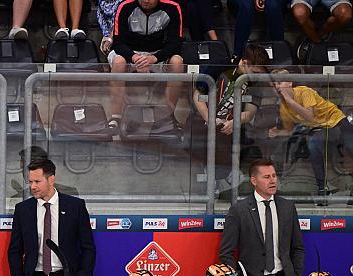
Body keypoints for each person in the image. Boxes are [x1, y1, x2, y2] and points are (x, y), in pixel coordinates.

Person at [219, 158, 305, 276]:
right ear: (253, 180)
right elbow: (226, 252)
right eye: (266, 177)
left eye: (274, 175)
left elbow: (297, 247)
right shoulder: (239, 210)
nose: (272, 180)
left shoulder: (287, 207)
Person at [8, 153, 95, 276]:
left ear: (51, 179)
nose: (32, 186)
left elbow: (87, 246)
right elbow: (15, 249)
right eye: (30, 182)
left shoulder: (75, 206)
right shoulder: (23, 209)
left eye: (37, 181)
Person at [268, 69, 353, 204]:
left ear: (289, 82)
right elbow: (290, 130)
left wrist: (290, 101)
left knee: (351, 146)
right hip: (321, 128)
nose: (277, 87)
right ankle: (322, 189)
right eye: (274, 84)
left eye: (280, 82)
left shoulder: (304, 91)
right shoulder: (284, 106)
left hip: (337, 122)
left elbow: (310, 115)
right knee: (313, 144)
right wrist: (277, 132)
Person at [190, 44, 270, 186]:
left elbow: (250, 113)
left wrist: (235, 122)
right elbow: (197, 94)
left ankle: (226, 177)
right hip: (204, 120)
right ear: (244, 63)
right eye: (255, 72)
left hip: (232, 126)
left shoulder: (256, 81)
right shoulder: (220, 66)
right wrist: (209, 119)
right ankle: (212, 179)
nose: (257, 76)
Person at [108, 0, 184, 127]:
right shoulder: (125, 6)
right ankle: (116, 117)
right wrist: (135, 57)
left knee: (177, 62)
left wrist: (154, 58)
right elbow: (118, 43)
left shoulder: (173, 7)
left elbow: (176, 43)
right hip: (130, 53)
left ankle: (169, 116)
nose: (146, 1)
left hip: (157, 54)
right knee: (118, 62)